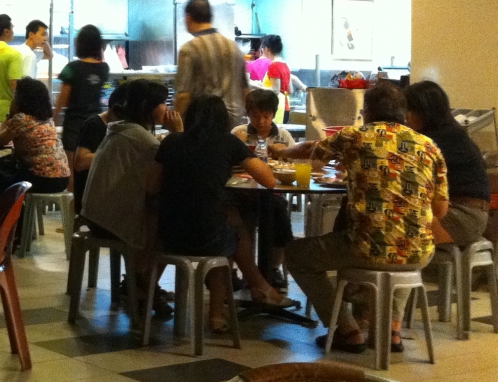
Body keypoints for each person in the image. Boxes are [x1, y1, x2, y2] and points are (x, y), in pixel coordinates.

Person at [278, 82, 446, 353]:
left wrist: (280, 152)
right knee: (405, 242)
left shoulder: (354, 136)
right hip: (421, 253)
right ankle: (392, 332)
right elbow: (440, 210)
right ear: (404, 113)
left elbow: (311, 152)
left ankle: (347, 329)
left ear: (366, 112)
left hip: (365, 248)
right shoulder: (430, 146)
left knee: (296, 255)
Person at [150, 95, 288, 326]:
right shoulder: (228, 142)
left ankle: (255, 291)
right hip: (207, 237)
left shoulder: (171, 141)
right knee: (231, 234)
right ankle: (225, 309)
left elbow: (151, 185)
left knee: (226, 222)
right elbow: (269, 180)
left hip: (168, 236)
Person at [79, 79, 179, 317]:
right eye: (163, 103)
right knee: (170, 231)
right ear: (147, 106)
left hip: (94, 214)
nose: (167, 108)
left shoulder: (123, 129)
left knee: (160, 217)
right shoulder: (142, 140)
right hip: (110, 219)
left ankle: (140, 285)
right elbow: (170, 173)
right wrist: (178, 135)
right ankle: (143, 287)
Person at [407, 80, 490, 248]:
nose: (405, 118)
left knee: (396, 228)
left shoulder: (436, 141)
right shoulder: (450, 132)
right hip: (467, 212)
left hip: (463, 215)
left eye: (408, 110)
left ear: (422, 112)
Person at [231, 88, 296, 288]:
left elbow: (294, 164)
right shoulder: (238, 134)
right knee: (242, 222)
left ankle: (272, 269)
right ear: (248, 114)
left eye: (266, 116)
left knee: (279, 219)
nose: (260, 122)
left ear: (273, 114)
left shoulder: (283, 135)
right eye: (255, 116)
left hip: (272, 193)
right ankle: (247, 272)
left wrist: (284, 156)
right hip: (242, 193)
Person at [173, 0, 247, 121]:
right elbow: (245, 90)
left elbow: (183, 95)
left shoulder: (189, 49)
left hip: (203, 122)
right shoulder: (234, 47)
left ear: (188, 18)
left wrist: (175, 123)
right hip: (233, 123)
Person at [0, 78, 70, 197]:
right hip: (63, 178)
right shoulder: (47, 120)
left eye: (15, 95)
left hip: (42, 179)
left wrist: (10, 115)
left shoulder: (21, 120)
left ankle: (6, 209)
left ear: (22, 100)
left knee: (0, 175)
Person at [71, 82, 130, 211]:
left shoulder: (125, 128)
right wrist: (113, 153)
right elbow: (80, 162)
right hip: (92, 198)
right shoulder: (94, 124)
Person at [55, 24, 109, 155]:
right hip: (96, 122)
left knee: (72, 163)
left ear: (80, 44)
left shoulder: (71, 68)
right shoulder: (104, 68)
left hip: (74, 123)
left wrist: (54, 118)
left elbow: (63, 98)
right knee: (91, 161)